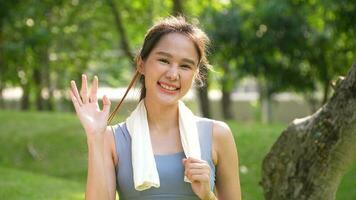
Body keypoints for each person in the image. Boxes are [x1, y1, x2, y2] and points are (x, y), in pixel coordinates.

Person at [69, 16, 241, 200]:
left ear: (195, 74)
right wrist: (95, 137)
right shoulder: (111, 139)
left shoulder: (218, 135)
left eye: (185, 66)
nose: (173, 74)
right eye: (164, 61)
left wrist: (207, 195)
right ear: (141, 64)